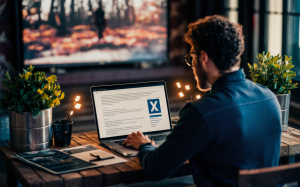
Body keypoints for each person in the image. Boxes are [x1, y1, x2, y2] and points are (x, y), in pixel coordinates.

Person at [122, 15, 282, 187]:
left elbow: (157, 169)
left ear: (203, 57)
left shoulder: (202, 111)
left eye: (192, 57)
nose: (192, 64)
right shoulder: (269, 97)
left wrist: (144, 145)